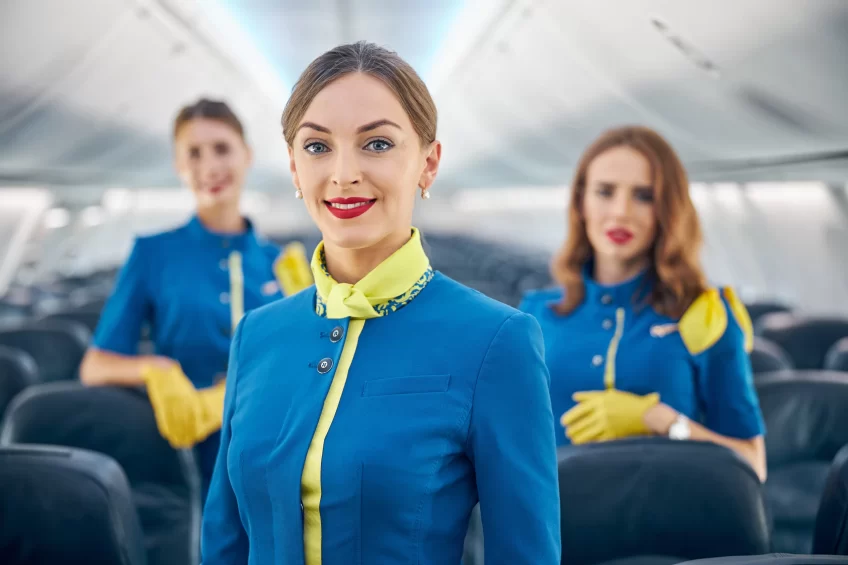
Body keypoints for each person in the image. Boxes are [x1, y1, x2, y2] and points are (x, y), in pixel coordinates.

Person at [201, 41, 561, 564]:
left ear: (428, 163)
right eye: (318, 147)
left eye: (376, 144)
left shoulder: (496, 341)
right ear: (295, 169)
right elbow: (224, 540)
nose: (344, 172)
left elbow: (525, 554)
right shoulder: (256, 334)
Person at [79, 98, 313, 485]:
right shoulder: (153, 253)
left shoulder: (281, 264)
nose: (209, 167)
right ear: (179, 166)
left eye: (221, 149)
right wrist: (156, 369)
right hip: (184, 456)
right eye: (193, 153)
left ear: (247, 156)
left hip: (276, 450)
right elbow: (95, 366)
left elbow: (311, 363)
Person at [519, 125, 767, 482]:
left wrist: (659, 420)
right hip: (559, 531)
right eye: (605, 192)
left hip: (670, 526)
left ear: (667, 209)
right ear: (580, 203)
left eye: (644, 196)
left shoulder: (705, 315)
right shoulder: (535, 315)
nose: (621, 212)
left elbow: (752, 464)